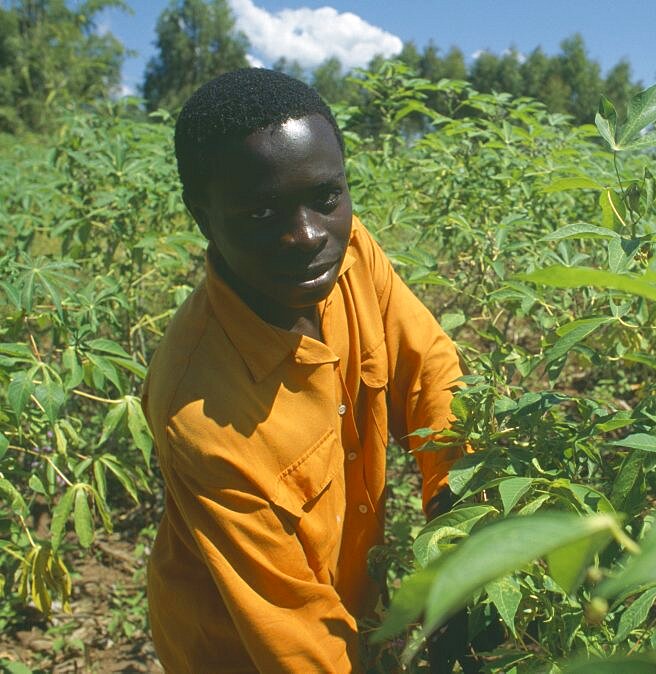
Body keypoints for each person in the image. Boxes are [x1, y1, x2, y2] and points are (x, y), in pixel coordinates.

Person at [142, 68, 465, 672]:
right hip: (237, 647)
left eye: (326, 198)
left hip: (350, 598)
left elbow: (432, 378)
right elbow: (291, 634)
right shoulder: (202, 412)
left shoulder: (351, 253)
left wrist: (464, 529)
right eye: (262, 213)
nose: (308, 235)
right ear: (203, 215)